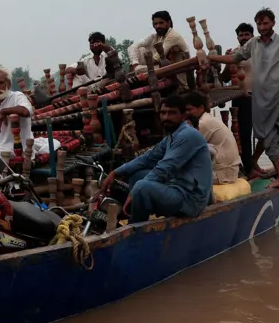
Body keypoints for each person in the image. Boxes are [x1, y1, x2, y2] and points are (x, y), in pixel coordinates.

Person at [209, 8, 279, 189]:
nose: (262, 27)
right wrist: (211, 58)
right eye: (259, 24)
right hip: (262, 98)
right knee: (266, 135)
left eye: (265, 23)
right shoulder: (253, 44)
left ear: (273, 23)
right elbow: (235, 58)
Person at [100, 94, 212, 223]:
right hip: (177, 188)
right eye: (163, 113)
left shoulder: (188, 135)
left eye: (172, 113)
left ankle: (136, 227)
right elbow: (147, 158)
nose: (166, 117)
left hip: (191, 199)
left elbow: (165, 167)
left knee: (141, 187)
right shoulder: (172, 137)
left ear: (183, 116)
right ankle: (133, 214)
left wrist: (135, 191)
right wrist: (116, 172)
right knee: (137, 175)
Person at [184, 91, 241, 185]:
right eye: (185, 110)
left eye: (189, 109)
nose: (186, 113)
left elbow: (186, 149)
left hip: (222, 174)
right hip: (229, 171)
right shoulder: (207, 119)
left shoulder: (203, 123)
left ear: (201, 108)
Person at [221, 23, 255, 173]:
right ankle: (247, 166)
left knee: (265, 133)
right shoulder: (235, 53)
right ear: (237, 38)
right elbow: (225, 78)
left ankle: (253, 164)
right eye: (241, 35)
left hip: (259, 96)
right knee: (242, 133)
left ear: (252, 36)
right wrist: (228, 62)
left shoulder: (260, 51)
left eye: (247, 34)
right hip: (241, 97)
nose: (244, 37)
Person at [128, 11, 190, 86]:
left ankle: (135, 73)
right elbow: (132, 47)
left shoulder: (173, 36)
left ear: (168, 23)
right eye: (155, 24)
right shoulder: (155, 37)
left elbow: (155, 59)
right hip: (161, 69)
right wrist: (135, 64)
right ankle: (136, 71)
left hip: (177, 74)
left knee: (138, 70)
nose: (158, 26)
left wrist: (138, 68)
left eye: (161, 23)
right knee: (140, 49)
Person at [0, 66, 34, 156]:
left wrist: (3, 111)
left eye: (0, 83)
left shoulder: (17, 97)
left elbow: (26, 111)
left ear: (9, 84)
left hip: (15, 151)